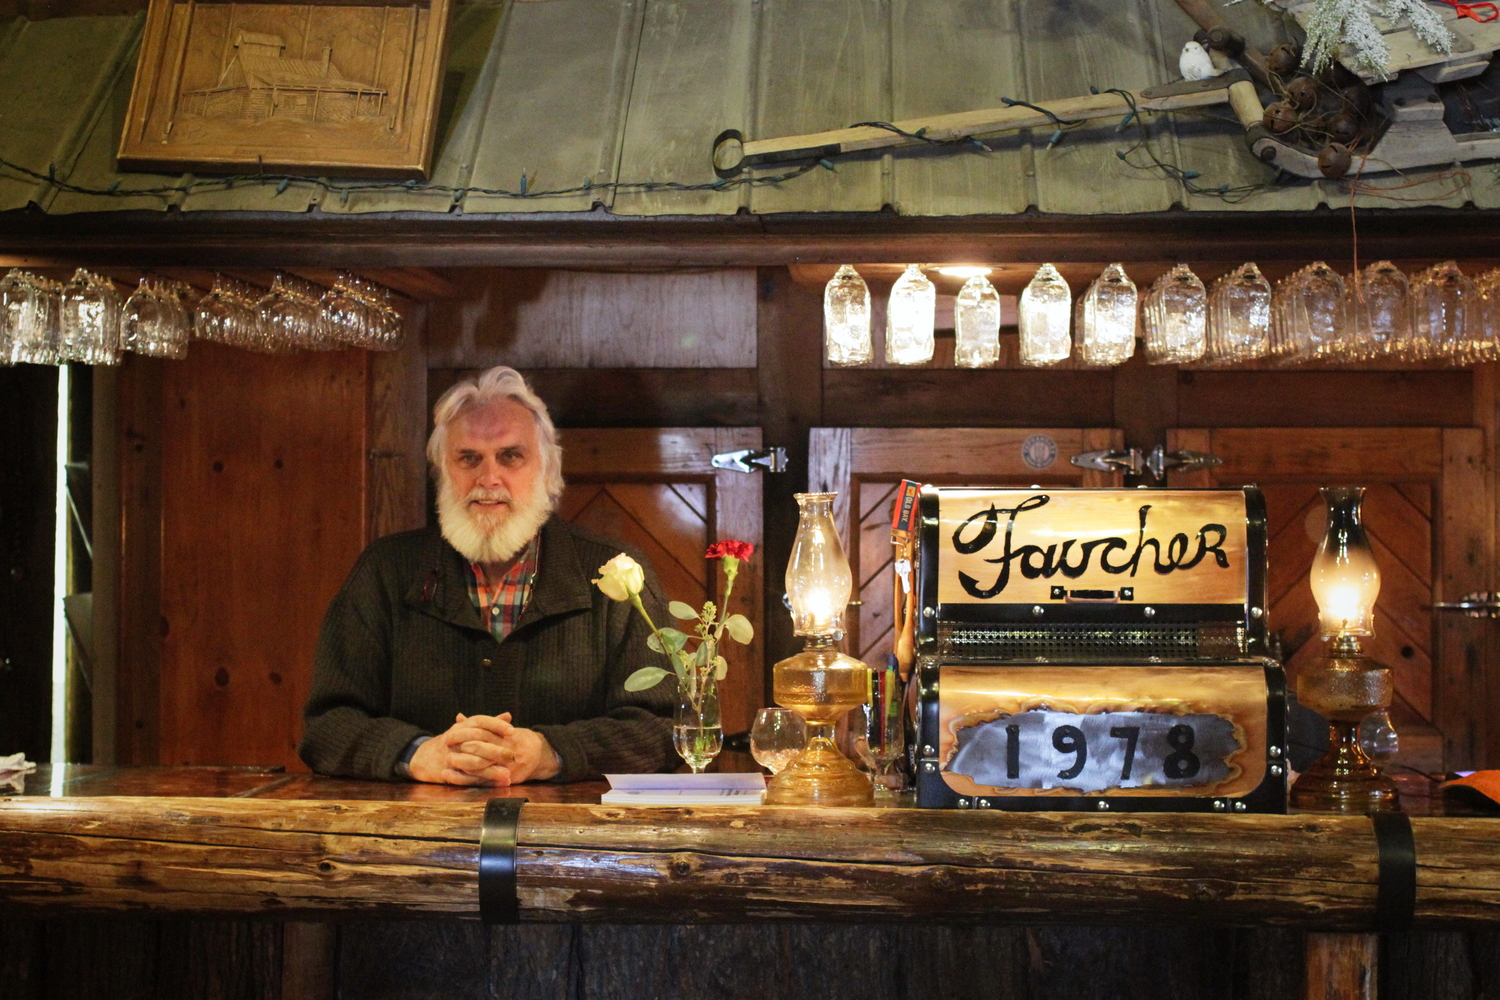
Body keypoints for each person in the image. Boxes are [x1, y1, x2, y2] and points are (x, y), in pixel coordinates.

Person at [299, 366, 675, 785]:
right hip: (411, 841)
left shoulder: (617, 576)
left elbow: (667, 728)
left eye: (510, 456)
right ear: (443, 472)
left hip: (574, 844)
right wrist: (418, 753)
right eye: (468, 459)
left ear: (548, 471)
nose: (489, 479)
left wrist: (552, 753)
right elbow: (326, 726)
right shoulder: (384, 572)